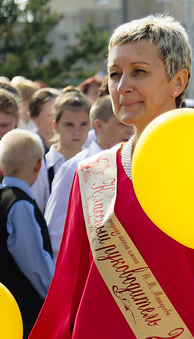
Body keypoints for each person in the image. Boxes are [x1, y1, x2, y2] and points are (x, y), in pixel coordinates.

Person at [31, 14, 194, 339]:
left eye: (139, 71)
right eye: (115, 74)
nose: (122, 86)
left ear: (178, 81)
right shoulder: (92, 173)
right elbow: (69, 287)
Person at [45, 95, 133, 256]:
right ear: (98, 126)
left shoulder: (132, 164)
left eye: (131, 124)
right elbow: (57, 231)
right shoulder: (74, 168)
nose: (130, 130)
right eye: (122, 124)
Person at [0, 128, 56, 336]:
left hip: (6, 303)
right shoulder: (20, 205)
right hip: (25, 310)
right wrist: (54, 295)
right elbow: (34, 261)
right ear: (38, 165)